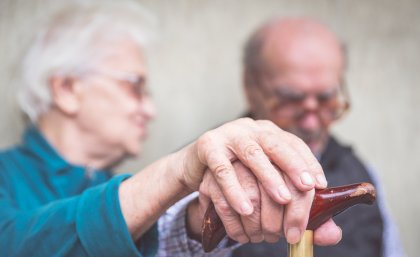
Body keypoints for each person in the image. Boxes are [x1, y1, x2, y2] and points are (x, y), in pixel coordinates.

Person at [0, 3, 342, 257]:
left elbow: (158, 240)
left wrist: (213, 212)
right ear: (66, 89)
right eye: (135, 86)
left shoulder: (111, 188)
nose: (150, 110)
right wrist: (175, 170)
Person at [232, 17, 405, 257]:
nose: (311, 123)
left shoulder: (362, 173)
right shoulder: (209, 178)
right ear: (250, 88)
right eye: (290, 99)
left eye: (325, 99)